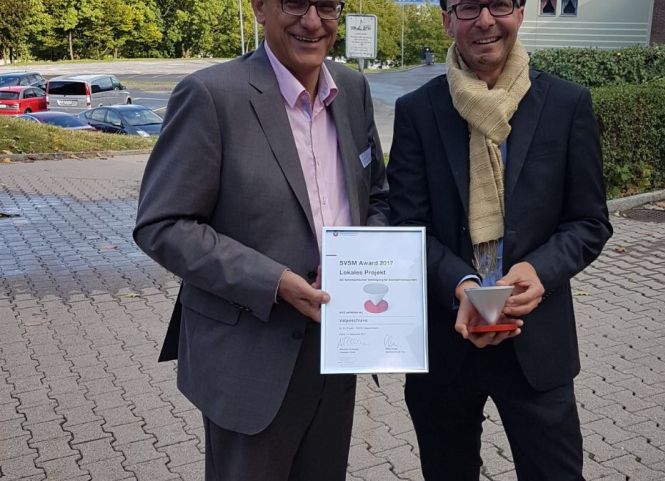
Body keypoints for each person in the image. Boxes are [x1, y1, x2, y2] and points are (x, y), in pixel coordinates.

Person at [133, 0, 388, 478]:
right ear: (259, 8)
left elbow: (378, 197)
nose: (313, 21)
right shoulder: (210, 95)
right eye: (295, 3)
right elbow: (163, 224)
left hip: (337, 346)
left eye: (327, 5)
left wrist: (363, 257)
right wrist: (275, 281)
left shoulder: (353, 89)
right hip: (249, 356)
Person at [386, 0, 612, 478]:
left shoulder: (567, 105)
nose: (485, 20)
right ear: (447, 18)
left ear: (521, 12)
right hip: (447, 343)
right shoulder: (417, 112)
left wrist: (540, 270)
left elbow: (590, 221)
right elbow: (407, 228)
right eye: (468, 6)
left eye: (500, 3)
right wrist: (462, 283)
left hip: (537, 345)